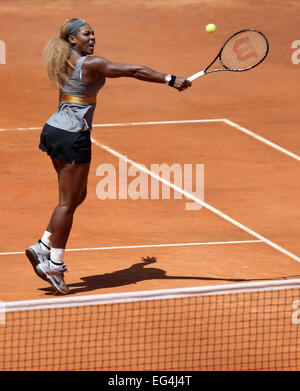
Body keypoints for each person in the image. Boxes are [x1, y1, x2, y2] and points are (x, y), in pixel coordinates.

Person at [25, 18, 192, 295]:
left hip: (54, 131)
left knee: (78, 196)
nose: (92, 38)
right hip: (73, 136)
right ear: (72, 40)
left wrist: (141, 267)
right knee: (66, 203)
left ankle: (43, 244)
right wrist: (170, 79)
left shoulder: (63, 58)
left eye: (93, 34)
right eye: (86, 34)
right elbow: (135, 70)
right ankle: (54, 263)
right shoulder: (92, 64)